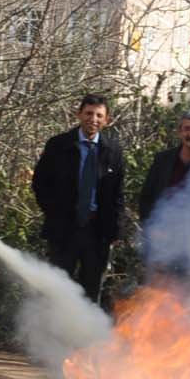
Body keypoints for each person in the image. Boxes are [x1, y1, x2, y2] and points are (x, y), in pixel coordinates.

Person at [32, 94, 124, 304]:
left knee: (91, 287)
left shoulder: (113, 151)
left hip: (97, 231)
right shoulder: (58, 145)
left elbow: (117, 194)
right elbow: (40, 183)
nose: (93, 119)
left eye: (99, 115)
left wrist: (115, 229)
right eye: (89, 113)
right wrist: (54, 212)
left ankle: (84, 334)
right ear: (79, 114)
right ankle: (53, 333)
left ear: (106, 120)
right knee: (57, 285)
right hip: (64, 229)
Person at [139, 107, 190, 229]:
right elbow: (147, 197)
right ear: (179, 132)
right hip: (164, 235)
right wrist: (150, 228)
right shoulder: (163, 160)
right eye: (187, 129)